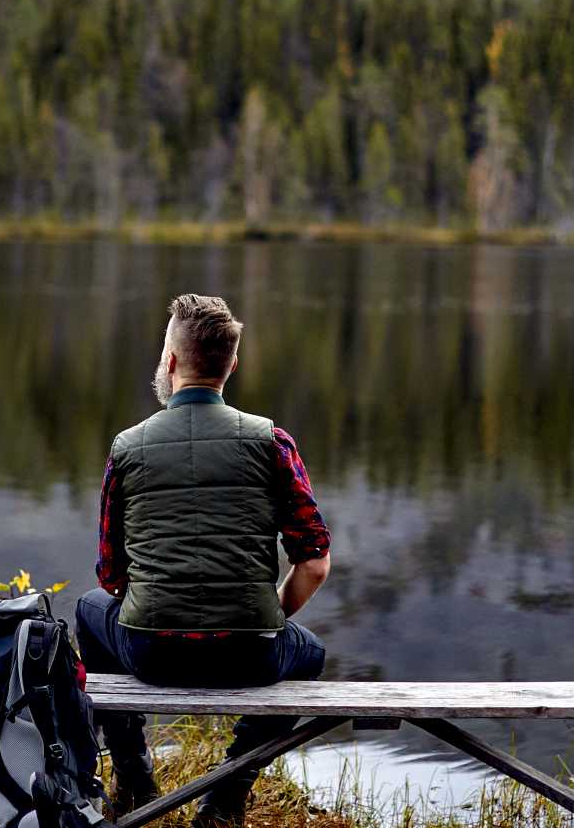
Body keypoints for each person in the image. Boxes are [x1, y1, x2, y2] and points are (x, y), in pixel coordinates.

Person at [74, 293, 333, 827]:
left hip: (150, 652)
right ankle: (227, 794)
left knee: (87, 608)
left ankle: (136, 779)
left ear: (170, 362)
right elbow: (314, 561)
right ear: (231, 366)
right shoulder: (272, 442)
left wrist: (160, 604)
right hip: (251, 656)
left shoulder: (127, 447)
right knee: (308, 653)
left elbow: (110, 575)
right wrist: (268, 617)